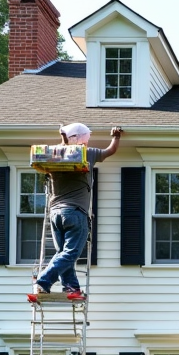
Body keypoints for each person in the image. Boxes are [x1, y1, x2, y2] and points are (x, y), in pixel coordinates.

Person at [30, 123, 122, 301]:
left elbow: (63, 144)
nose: (87, 143)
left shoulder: (53, 154)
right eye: (86, 140)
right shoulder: (86, 153)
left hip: (55, 214)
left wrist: (63, 137)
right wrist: (116, 136)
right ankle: (43, 281)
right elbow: (110, 151)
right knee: (70, 253)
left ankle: (71, 287)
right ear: (81, 139)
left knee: (64, 253)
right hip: (75, 212)